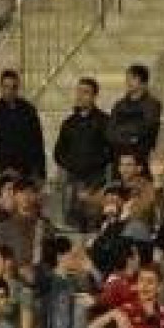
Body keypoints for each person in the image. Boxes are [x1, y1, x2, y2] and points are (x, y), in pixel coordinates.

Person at [53, 77, 111, 231]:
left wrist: (93, 165)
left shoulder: (104, 121)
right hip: (73, 179)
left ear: (94, 96)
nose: (80, 96)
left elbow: (110, 151)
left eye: (85, 92)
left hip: (95, 180)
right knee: (72, 222)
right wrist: (69, 163)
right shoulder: (69, 123)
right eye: (78, 91)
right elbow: (58, 151)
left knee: (93, 221)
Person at [0, 69, 46, 182]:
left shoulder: (28, 110)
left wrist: (40, 172)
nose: (9, 91)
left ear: (18, 88)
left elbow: (38, 142)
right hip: (3, 172)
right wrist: (0, 161)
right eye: (6, 87)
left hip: (26, 172)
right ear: (1, 88)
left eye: (13, 87)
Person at [106, 64, 162, 163]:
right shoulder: (119, 105)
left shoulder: (152, 105)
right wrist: (129, 138)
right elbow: (111, 131)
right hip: (119, 157)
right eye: (127, 78)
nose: (128, 82)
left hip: (140, 158)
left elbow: (146, 129)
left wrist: (126, 134)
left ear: (143, 82)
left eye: (133, 78)